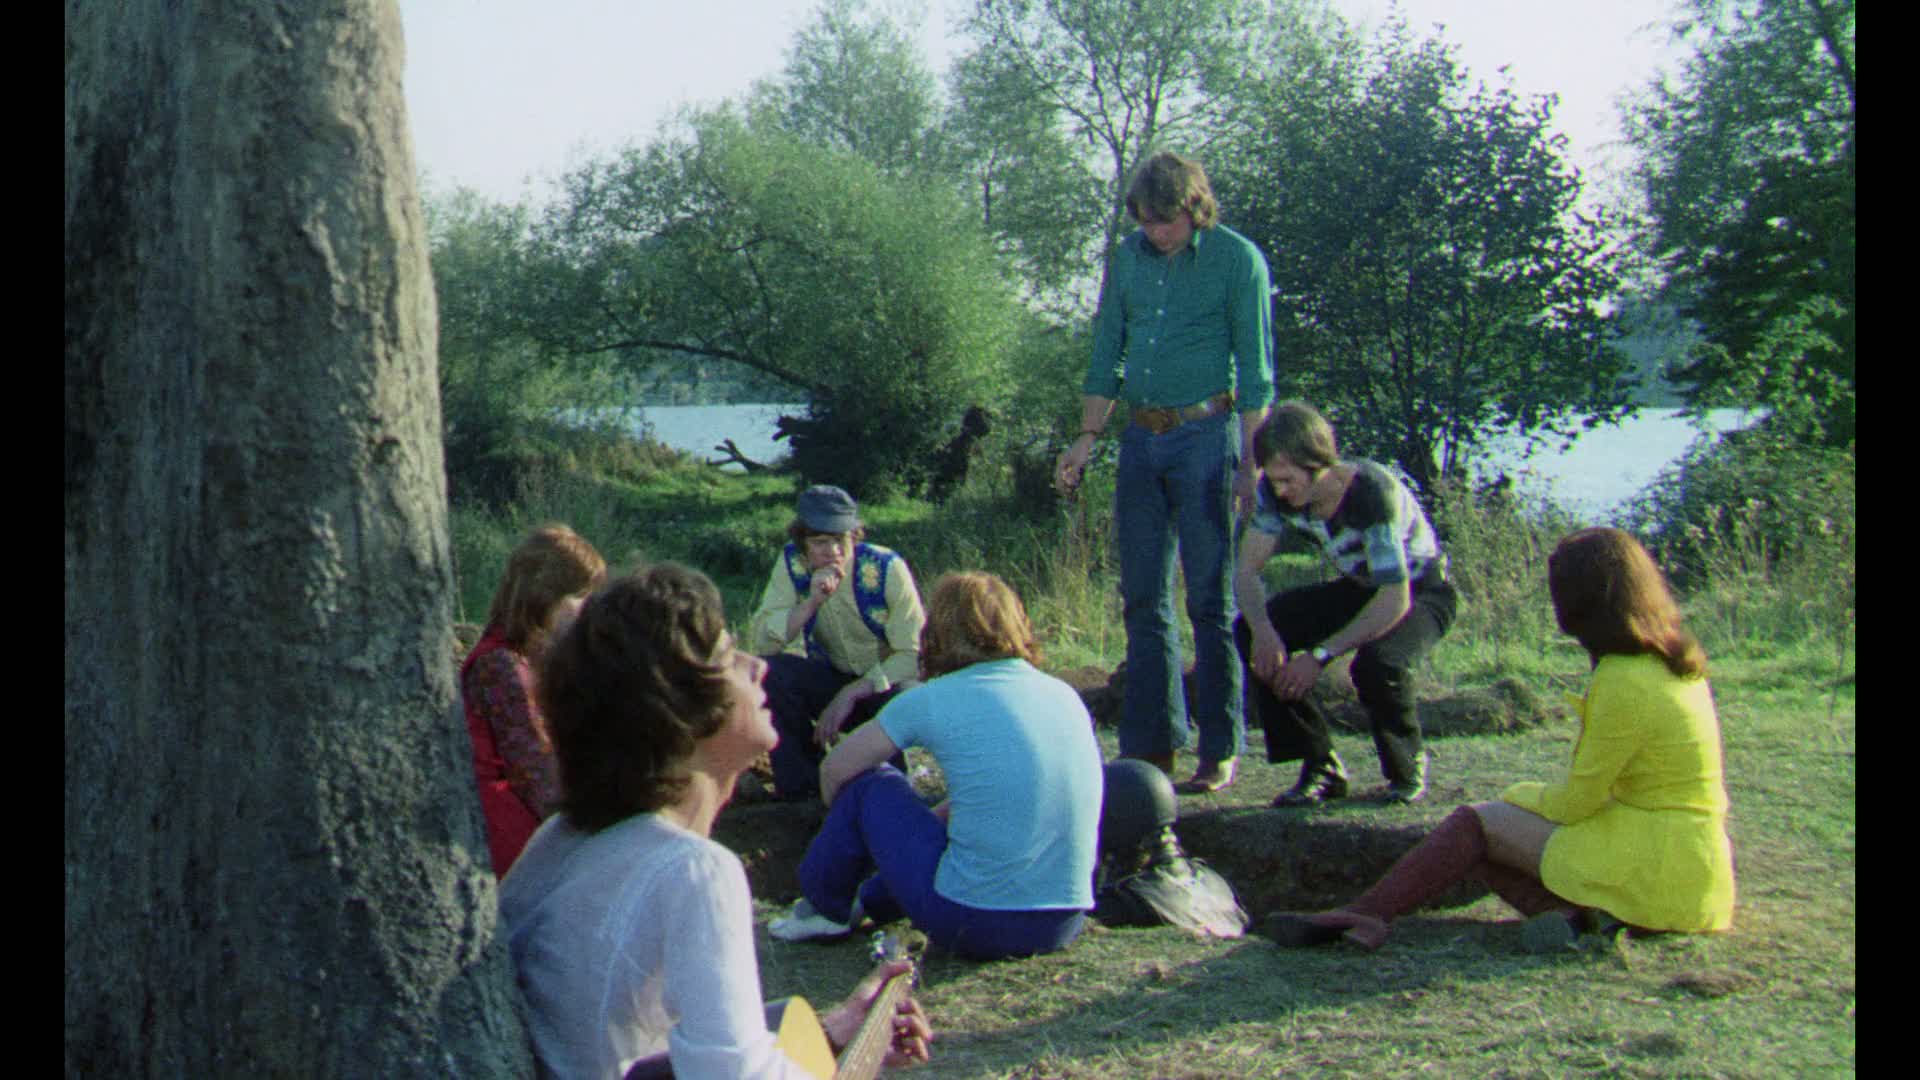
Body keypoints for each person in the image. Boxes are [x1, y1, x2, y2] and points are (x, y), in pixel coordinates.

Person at [500, 563, 933, 1078]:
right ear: (678, 707)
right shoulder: (693, 870)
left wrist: (830, 1038)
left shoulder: (561, 840)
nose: (759, 667)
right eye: (730, 656)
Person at [1263, 527, 1736, 952]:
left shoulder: (1622, 678)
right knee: (1482, 842)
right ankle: (1580, 922)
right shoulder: (1672, 663)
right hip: (1697, 879)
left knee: (1476, 824)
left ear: (1580, 601)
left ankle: (1366, 913)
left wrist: (1516, 798)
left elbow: (1577, 803)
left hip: (1652, 865)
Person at [1054, 150, 1275, 796]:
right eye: (1147, 221)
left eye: (1167, 221)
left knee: (1209, 598)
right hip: (1140, 440)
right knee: (1143, 598)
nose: (1156, 233)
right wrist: (1086, 438)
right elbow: (1106, 349)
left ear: (1195, 208)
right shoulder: (1128, 257)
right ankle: (1152, 747)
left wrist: (1251, 465)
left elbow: (1257, 371)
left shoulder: (1238, 260)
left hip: (1208, 434)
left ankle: (1220, 746)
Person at [769, 572, 1104, 961]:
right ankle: (868, 902)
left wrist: (849, 831)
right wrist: (912, 830)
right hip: (1064, 921)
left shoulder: (933, 698)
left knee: (872, 784)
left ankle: (825, 908)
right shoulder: (1064, 694)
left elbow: (835, 770)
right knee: (955, 815)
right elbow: (998, 799)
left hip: (974, 923)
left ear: (938, 631)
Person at [1233, 402, 1458, 807]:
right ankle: (1321, 766)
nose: (1280, 491)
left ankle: (1406, 770)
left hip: (1422, 590)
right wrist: (1265, 634)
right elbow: (1246, 572)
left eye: (1288, 479)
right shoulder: (1274, 494)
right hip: (1360, 585)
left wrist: (1318, 657)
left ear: (1317, 464)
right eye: (1274, 479)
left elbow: (1394, 599)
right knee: (1251, 629)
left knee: (1377, 663)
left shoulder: (1371, 493)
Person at [748, 485, 927, 800]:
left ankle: (891, 787)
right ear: (802, 543)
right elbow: (764, 643)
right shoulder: (791, 564)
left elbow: (913, 654)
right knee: (769, 673)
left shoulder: (887, 567)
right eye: (820, 542)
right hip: (832, 674)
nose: (833, 552)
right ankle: (802, 792)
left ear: (854, 536)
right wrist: (811, 604)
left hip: (883, 684)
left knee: (902, 695)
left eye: (841, 540)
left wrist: (853, 692)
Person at [461, 524, 607, 877]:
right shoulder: (501, 665)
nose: (586, 612)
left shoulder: (516, 659)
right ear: (546, 596)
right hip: (509, 849)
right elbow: (538, 777)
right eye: (580, 598)